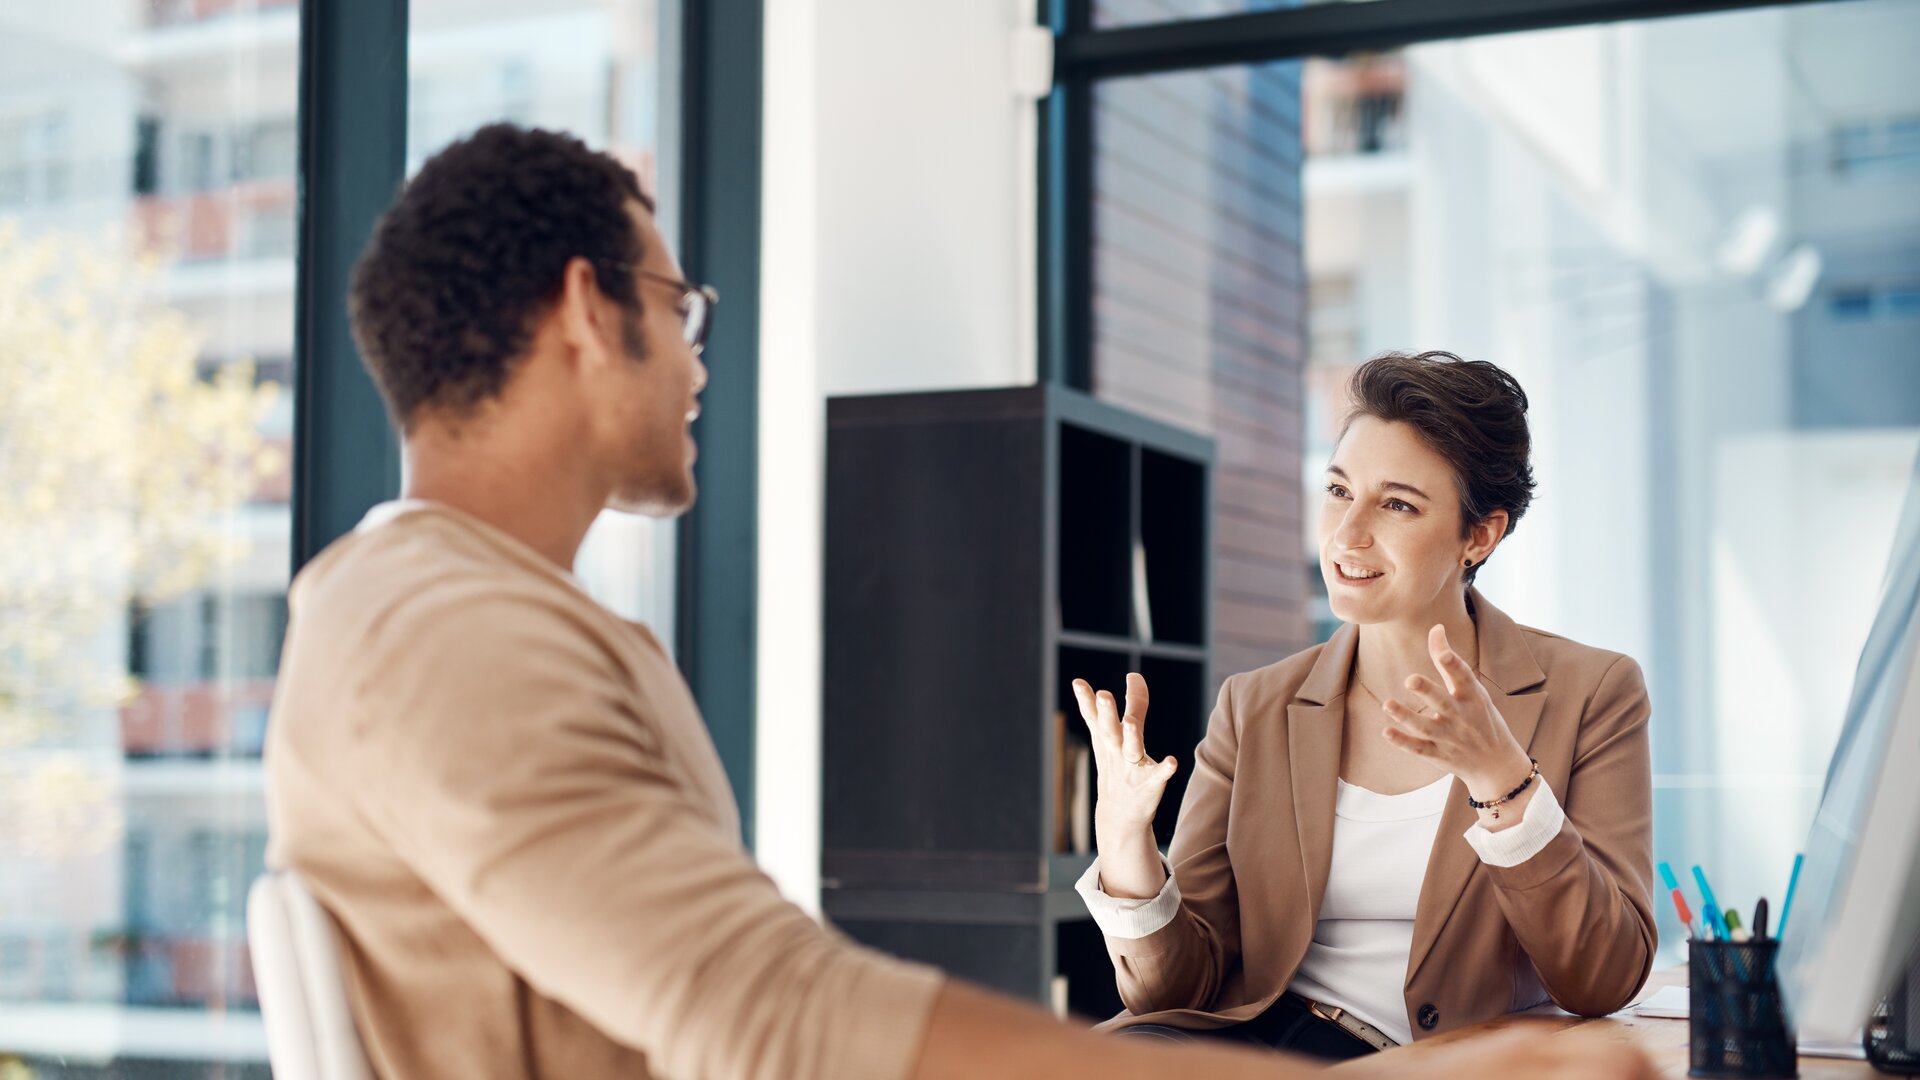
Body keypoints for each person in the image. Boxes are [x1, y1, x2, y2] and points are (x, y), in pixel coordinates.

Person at [263, 124, 1655, 1080]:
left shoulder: (483, 618)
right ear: (585, 312)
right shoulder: (444, 635)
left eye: (1397, 504)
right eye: (680, 310)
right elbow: (769, 1014)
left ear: (1481, 534)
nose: (697, 364)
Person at [1074, 352, 1656, 1059]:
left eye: (1397, 504)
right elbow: (1180, 990)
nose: (1347, 534)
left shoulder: (1592, 693)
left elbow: (1604, 978)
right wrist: (1124, 847)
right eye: (1338, 490)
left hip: (1424, 1061)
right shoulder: (1254, 706)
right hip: (1252, 1046)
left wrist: (1503, 780)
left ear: (1479, 535)